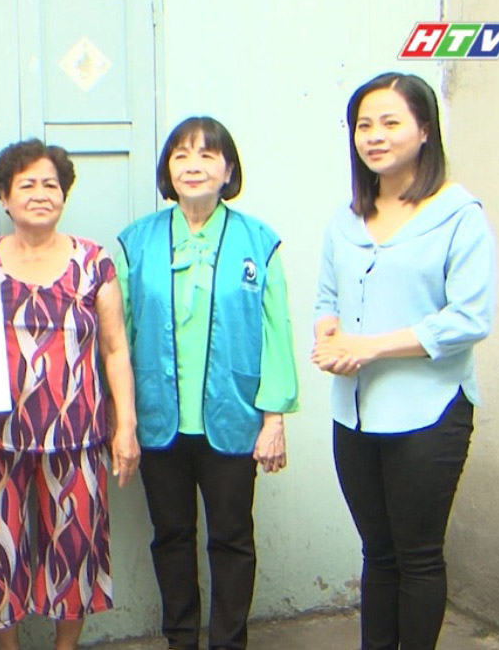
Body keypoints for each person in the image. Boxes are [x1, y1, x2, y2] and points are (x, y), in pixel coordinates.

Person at [311, 72, 496, 650]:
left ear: (424, 131)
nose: (375, 136)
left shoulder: (458, 214)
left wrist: (370, 346)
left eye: (391, 122)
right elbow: (327, 298)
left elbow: (470, 318)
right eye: (364, 124)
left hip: (429, 411)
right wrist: (328, 334)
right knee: (378, 553)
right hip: (354, 412)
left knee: (417, 555)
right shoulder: (346, 219)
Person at [0, 138, 139, 650]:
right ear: (4, 198)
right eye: (26, 184)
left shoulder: (93, 262)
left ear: (64, 195)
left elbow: (115, 349)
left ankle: (64, 646)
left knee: (75, 547)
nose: (40, 194)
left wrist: (126, 428)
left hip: (78, 436)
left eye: (51, 184)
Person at [116, 116, 299, 650]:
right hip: (159, 420)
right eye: (180, 155)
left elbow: (277, 334)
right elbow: (117, 337)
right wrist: (120, 418)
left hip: (233, 418)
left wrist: (273, 418)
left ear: (228, 170)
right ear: (167, 170)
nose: (192, 166)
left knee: (232, 539)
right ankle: (180, 640)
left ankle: (228, 642)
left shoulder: (258, 241)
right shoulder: (136, 242)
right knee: (171, 537)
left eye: (206, 155)